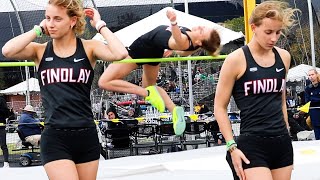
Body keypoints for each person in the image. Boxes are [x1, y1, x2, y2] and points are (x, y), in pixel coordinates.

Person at [2, 0, 127, 179]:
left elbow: (120, 53)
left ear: (72, 21)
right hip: (55, 137)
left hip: (86, 135)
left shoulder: (89, 47)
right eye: (48, 18)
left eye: (57, 19)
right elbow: (8, 50)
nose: (50, 24)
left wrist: (100, 25)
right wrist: (37, 30)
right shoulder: (39, 51)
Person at [98, 8, 221, 136]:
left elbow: (178, 39)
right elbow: (182, 50)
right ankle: (174, 109)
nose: (201, 27)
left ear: (199, 41)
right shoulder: (193, 44)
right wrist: (171, 48)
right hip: (156, 50)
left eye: (202, 31)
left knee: (104, 81)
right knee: (150, 86)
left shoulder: (184, 40)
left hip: (142, 49)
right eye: (204, 27)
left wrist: (173, 22)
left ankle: (147, 93)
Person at [214, 1, 299, 180]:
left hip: (281, 142)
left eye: (278, 32)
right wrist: (231, 146)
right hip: (252, 143)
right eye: (268, 32)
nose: (274, 38)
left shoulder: (283, 57)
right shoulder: (235, 60)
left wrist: (287, 132)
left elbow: (280, 99)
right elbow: (219, 108)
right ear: (254, 27)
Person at [305, 69, 320, 140]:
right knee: (318, 138)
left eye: (312, 74)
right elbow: (307, 101)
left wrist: (313, 100)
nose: (311, 76)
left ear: (317, 74)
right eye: (309, 75)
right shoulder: (308, 89)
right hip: (315, 116)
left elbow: (311, 101)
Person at [0, 96, 10, 168]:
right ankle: (6, 162)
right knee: (4, 145)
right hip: (2, 126)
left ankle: (6, 162)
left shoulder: (1, 100)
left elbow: (6, 113)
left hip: (1, 127)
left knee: (3, 145)